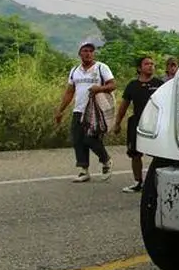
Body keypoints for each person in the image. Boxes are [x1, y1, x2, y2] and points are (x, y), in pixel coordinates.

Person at [54, 41, 116, 183]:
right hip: (79, 109)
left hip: (95, 110)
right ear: (79, 53)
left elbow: (113, 84)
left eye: (90, 51)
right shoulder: (75, 70)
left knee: (90, 139)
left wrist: (99, 89)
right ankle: (84, 170)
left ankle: (106, 161)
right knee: (77, 140)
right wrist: (60, 110)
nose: (88, 53)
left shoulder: (101, 67)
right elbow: (70, 92)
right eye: (85, 50)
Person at [113, 55, 164, 193]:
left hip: (155, 123)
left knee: (159, 155)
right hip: (137, 122)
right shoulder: (132, 85)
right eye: (147, 64)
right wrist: (117, 123)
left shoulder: (160, 84)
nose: (151, 66)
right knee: (135, 154)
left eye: (152, 64)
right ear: (139, 68)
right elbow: (124, 105)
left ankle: (157, 183)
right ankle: (138, 182)